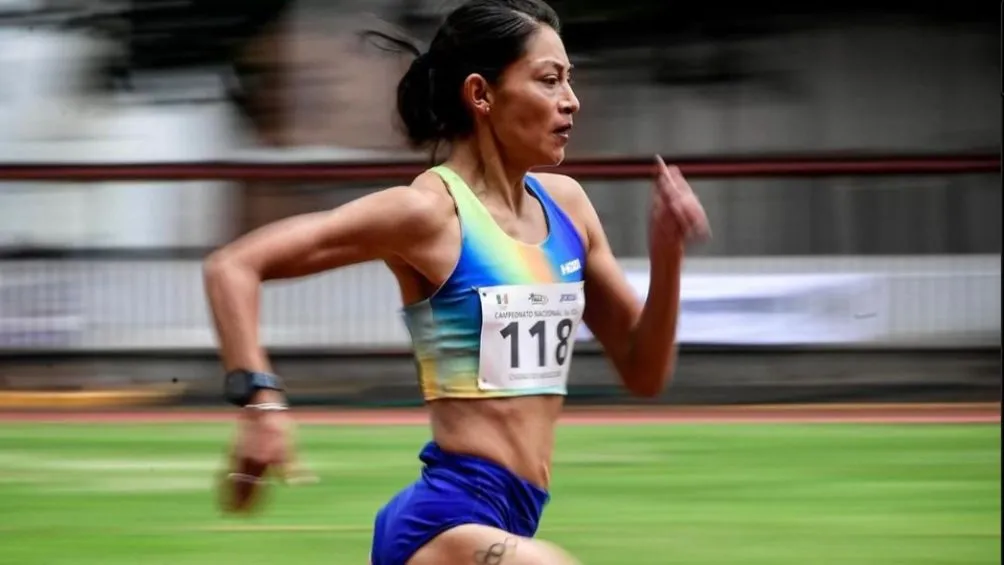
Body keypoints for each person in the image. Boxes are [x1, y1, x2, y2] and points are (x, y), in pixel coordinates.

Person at [202, 0, 710, 563]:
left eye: (569, 79)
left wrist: (667, 257)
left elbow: (644, 371)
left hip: (514, 513)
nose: (571, 100)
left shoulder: (568, 208)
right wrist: (261, 405)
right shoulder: (427, 213)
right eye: (549, 80)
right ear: (481, 94)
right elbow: (233, 266)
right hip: (442, 521)